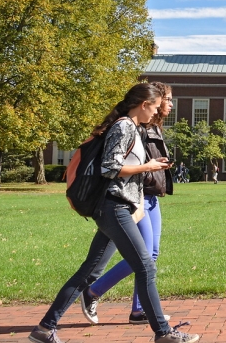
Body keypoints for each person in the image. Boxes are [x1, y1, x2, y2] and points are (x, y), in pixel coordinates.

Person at [28, 83, 198, 343]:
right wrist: (147, 167)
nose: (155, 112)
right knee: (145, 268)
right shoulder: (124, 126)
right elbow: (109, 167)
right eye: (154, 106)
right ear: (143, 105)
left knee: (89, 272)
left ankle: (44, 329)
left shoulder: (132, 127)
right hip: (114, 207)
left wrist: (150, 167)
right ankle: (163, 333)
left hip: (117, 207)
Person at [86, 82, 176, 327]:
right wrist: (150, 168)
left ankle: (138, 310)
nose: (169, 104)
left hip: (152, 196)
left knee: (151, 254)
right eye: (166, 99)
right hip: (136, 198)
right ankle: (93, 291)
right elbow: (119, 164)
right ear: (151, 104)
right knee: (142, 257)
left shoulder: (152, 127)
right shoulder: (136, 127)